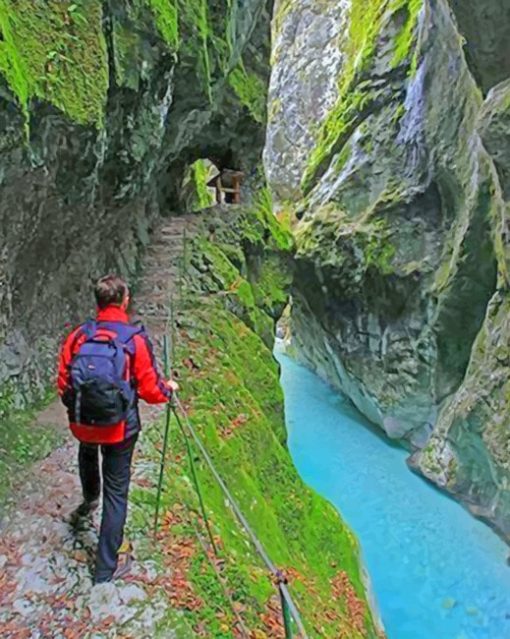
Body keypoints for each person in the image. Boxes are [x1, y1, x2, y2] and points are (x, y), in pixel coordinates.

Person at [57, 274, 179, 584]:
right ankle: (105, 568)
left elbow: (63, 384)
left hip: (83, 425)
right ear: (124, 301)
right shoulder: (133, 339)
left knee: (87, 452)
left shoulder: (78, 337)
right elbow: (152, 390)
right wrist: (169, 389)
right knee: (118, 491)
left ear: (97, 302)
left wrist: (81, 411)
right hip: (120, 429)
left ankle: (88, 500)